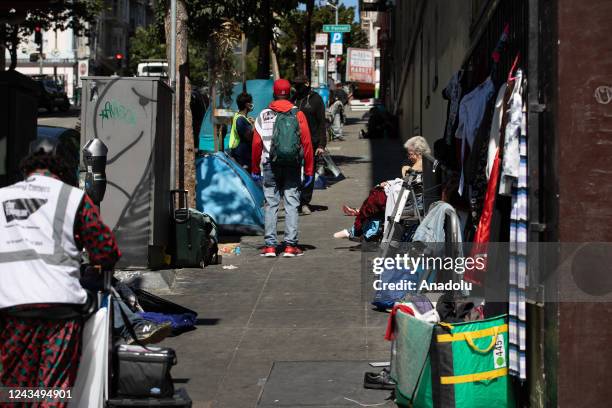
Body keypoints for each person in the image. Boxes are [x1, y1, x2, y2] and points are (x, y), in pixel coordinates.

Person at [0, 137, 168, 398]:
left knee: (15, 387)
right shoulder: (72, 198)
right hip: (60, 308)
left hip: (10, 309)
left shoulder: (2, 197)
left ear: (26, 167)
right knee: (52, 388)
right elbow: (106, 249)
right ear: (60, 165)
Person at [252, 79, 314, 257]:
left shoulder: (263, 115)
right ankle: (290, 246)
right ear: (289, 93)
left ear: (274, 93)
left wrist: (255, 168)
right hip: (292, 165)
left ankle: (270, 246)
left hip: (269, 164)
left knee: (271, 204)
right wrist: (309, 170)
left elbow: (256, 144)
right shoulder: (298, 114)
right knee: (292, 203)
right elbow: (307, 143)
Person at [334, 136, 430, 240]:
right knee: (375, 198)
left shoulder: (418, 166)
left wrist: (390, 183)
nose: (408, 157)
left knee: (375, 199)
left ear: (418, 153)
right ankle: (363, 230)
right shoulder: (419, 163)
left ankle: (356, 229)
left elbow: (405, 180)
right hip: (405, 194)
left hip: (406, 198)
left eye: (410, 154)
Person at [293, 75, 326, 215]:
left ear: (307, 84)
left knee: (309, 172)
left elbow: (321, 124)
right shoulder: (293, 99)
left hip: (311, 144)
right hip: (294, 143)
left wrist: (321, 145)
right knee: (293, 172)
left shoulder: (316, 100)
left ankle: (305, 202)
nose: (297, 87)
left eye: (300, 85)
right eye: (296, 85)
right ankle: (294, 201)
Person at [229, 92, 255, 170]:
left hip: (240, 154)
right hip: (242, 157)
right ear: (247, 105)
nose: (252, 104)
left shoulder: (238, 116)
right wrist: (255, 125)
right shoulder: (240, 120)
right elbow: (249, 137)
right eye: (251, 103)